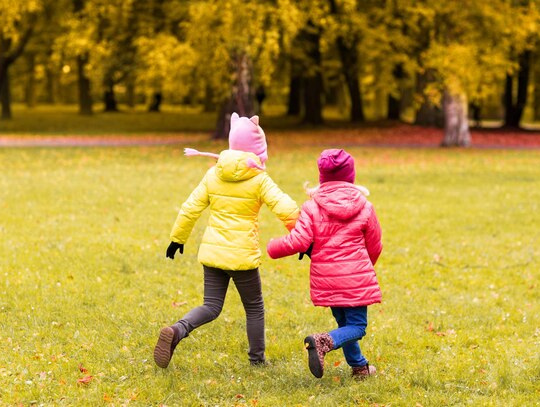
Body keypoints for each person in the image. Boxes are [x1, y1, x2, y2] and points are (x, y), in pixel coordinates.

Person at [155, 112, 299, 368]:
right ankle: (257, 360)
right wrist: (302, 239)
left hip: (212, 254)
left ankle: (177, 330)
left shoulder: (214, 173)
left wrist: (177, 238)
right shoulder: (258, 178)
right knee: (254, 307)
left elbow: (190, 208)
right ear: (258, 148)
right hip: (242, 256)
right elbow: (286, 209)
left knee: (211, 305)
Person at [267, 148, 382, 380]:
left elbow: (299, 240)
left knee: (344, 323)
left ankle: (359, 367)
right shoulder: (365, 206)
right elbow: (375, 245)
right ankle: (323, 341)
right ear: (351, 176)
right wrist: (364, 268)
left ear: (322, 177)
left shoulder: (311, 206)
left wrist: (273, 247)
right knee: (357, 327)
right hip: (356, 277)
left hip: (327, 279)